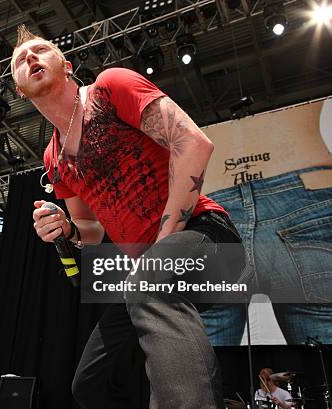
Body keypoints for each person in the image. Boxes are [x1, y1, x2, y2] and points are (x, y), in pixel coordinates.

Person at [17, 25, 244, 408]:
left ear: (67, 65)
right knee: (90, 384)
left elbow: (193, 143)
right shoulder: (53, 158)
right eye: (21, 61)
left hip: (209, 239)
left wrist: (163, 243)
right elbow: (91, 229)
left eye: (40, 50)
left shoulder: (109, 88)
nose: (30, 58)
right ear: (21, 91)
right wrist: (66, 228)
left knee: (147, 282)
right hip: (148, 271)